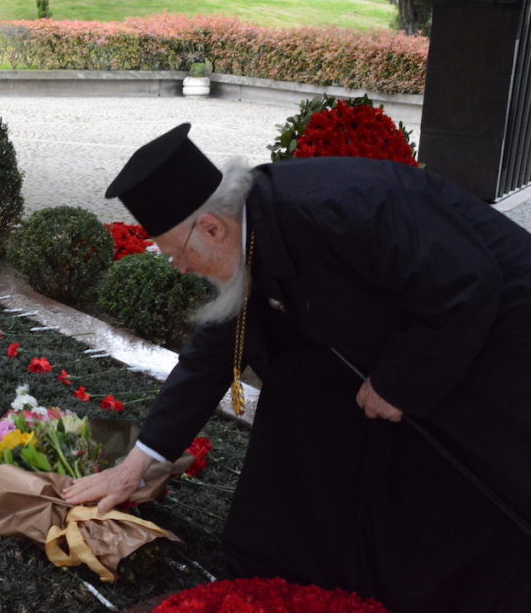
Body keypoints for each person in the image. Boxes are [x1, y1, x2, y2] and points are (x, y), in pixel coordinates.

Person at [62, 123, 531, 612]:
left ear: (212, 227)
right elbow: (212, 354)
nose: (180, 268)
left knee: (481, 485)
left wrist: (398, 381)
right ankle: (313, 561)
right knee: (304, 394)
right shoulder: (250, 230)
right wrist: (136, 464)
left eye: (178, 255)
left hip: (499, 334)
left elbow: (467, 285)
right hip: (426, 332)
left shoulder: (334, 209)